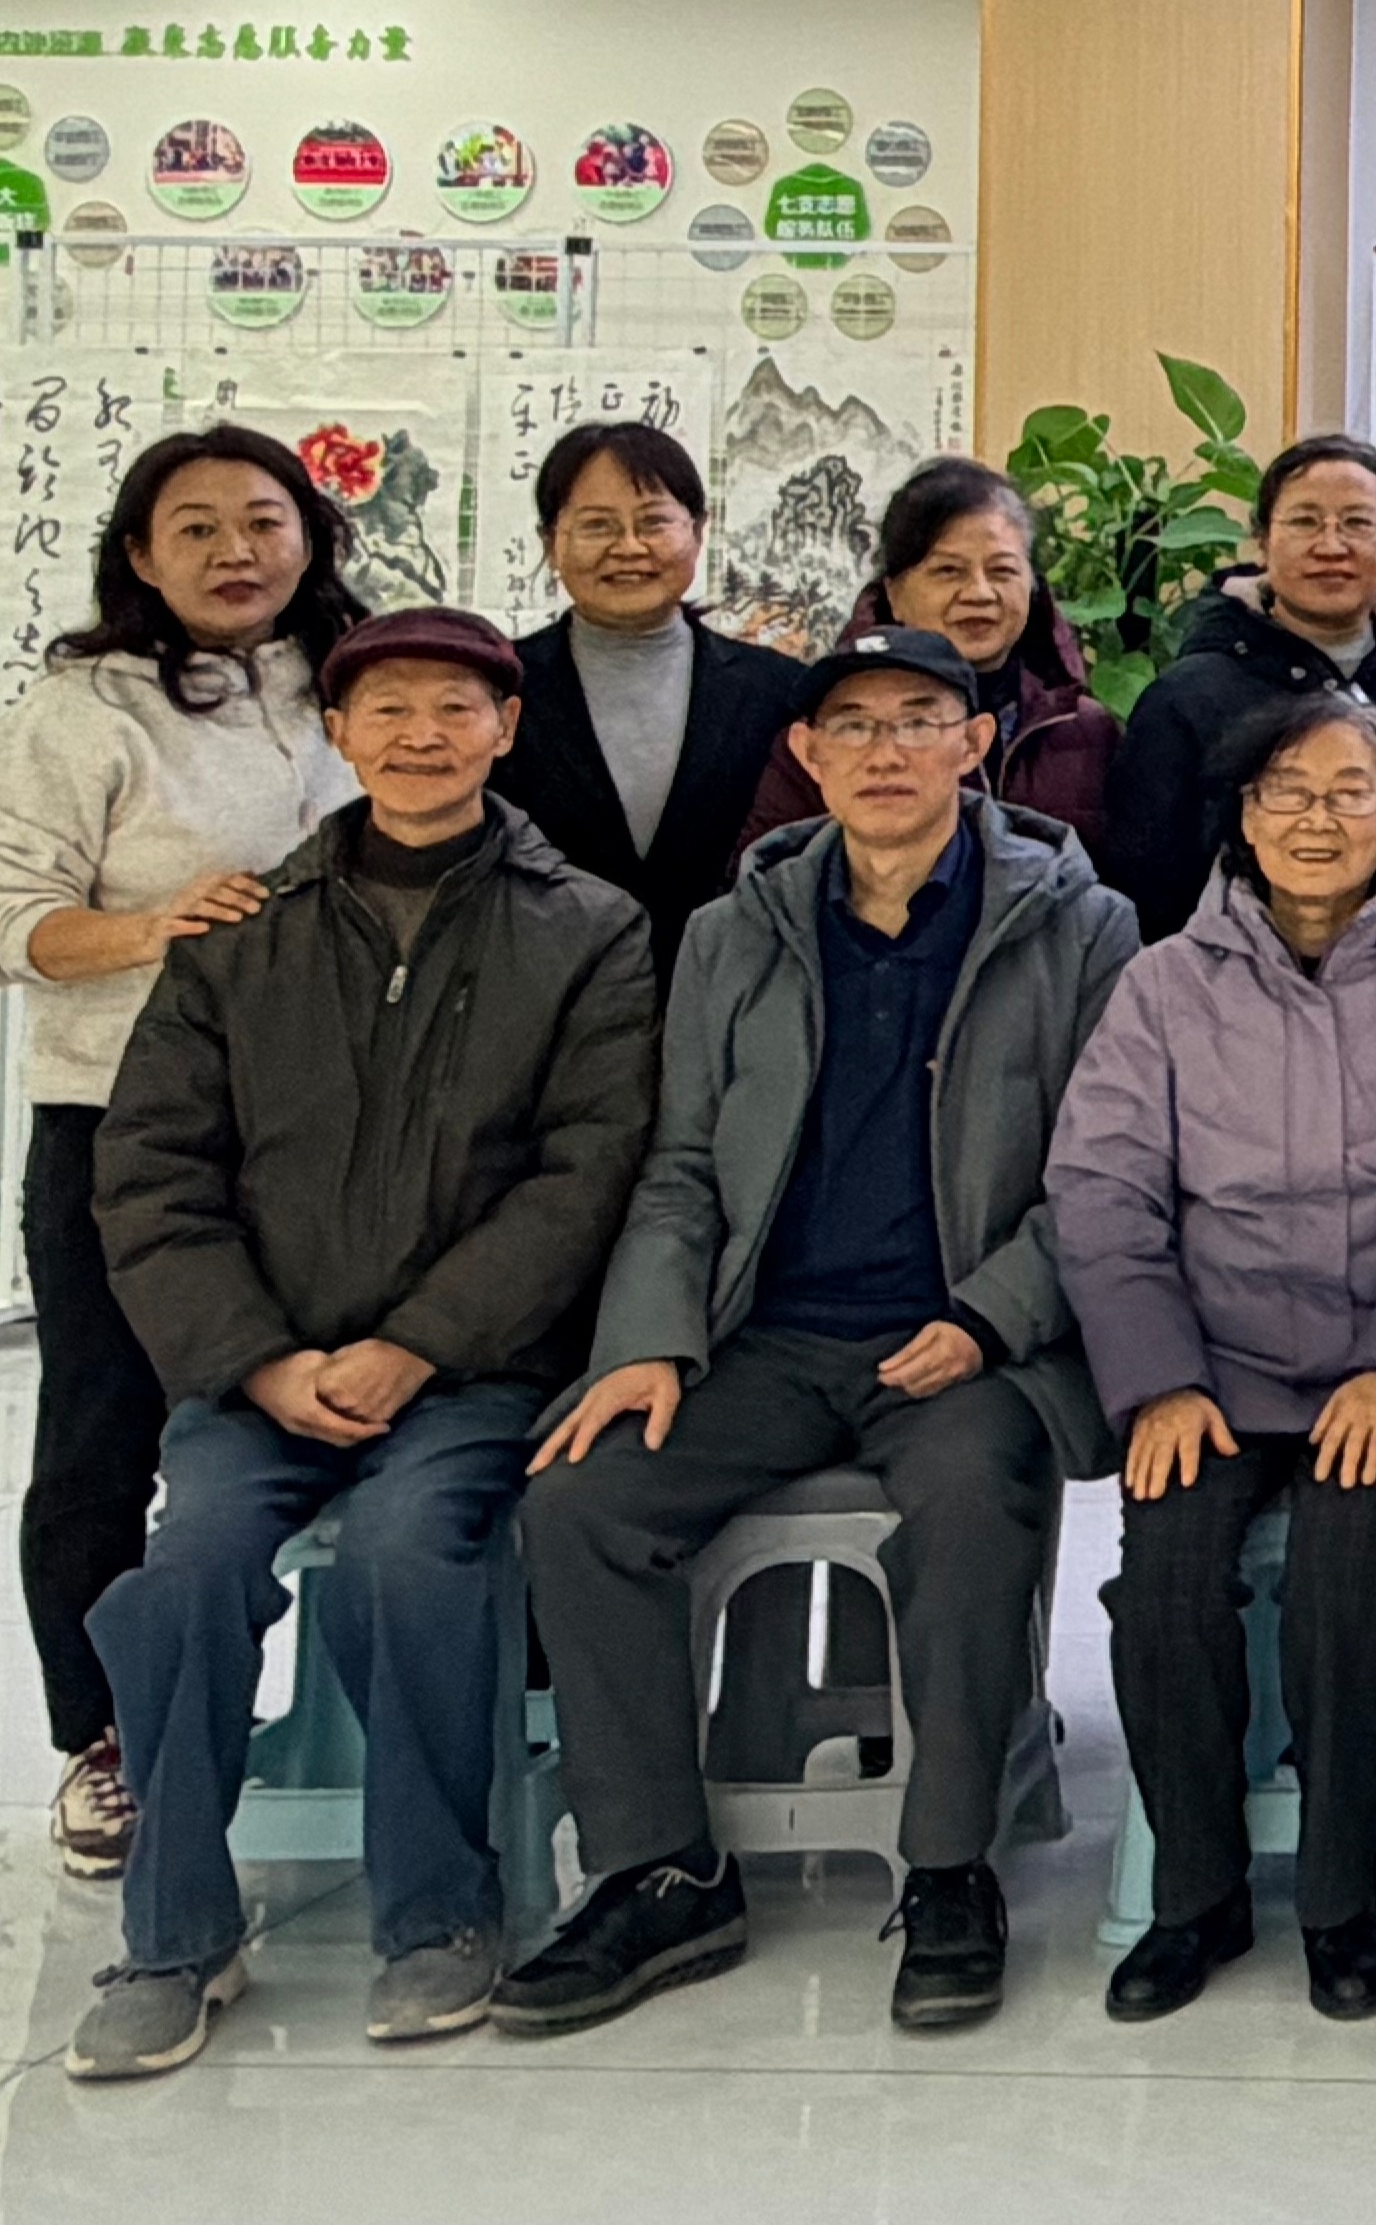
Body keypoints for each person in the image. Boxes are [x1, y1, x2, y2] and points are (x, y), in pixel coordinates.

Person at [490, 626, 1144, 2039]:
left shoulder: (1077, 924)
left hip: (966, 1340)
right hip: (764, 1337)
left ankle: (948, 1867)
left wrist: (989, 1317)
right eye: (851, 725)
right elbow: (679, 1166)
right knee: (582, 1498)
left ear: (976, 743)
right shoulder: (733, 933)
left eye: (918, 719)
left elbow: (1106, 1174)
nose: (884, 750)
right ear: (805, 753)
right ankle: (660, 1868)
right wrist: (647, 1342)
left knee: (970, 1501)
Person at [61, 609, 659, 2078]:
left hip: (471, 1374)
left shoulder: (588, 927)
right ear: (339, 735)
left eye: (455, 708)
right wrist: (259, 1360)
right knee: (185, 1573)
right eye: (387, 709)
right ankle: (174, 1936)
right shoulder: (241, 932)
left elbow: (585, 1173)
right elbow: (150, 1171)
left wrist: (420, 1342)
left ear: (505, 729)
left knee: (408, 1558)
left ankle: (439, 1915)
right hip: (257, 1373)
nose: (420, 735)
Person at [1049, 693, 1376, 2027]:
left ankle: (1338, 1897)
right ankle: (1194, 1892)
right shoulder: (1164, 983)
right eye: (1285, 792)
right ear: (1244, 817)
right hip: (1215, 1361)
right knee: (1165, 1573)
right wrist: (1159, 1376)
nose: (1317, 818)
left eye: (1349, 790)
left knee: (1343, 1564)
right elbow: (1101, 1188)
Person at [0, 423, 372, 1883]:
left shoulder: (357, 684)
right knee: (104, 1432)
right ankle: (104, 1737)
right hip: (121, 1127)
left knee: (319, 1426)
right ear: (138, 554)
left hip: (329, 1136)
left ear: (310, 536)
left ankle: (344, 1716)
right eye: (194, 528)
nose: (235, 551)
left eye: (263, 520)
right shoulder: (81, 713)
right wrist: (152, 928)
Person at [1112, 434, 1376, 938]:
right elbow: (1147, 885)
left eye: (1357, 523)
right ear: (1262, 542)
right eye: (1304, 522)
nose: (1331, 546)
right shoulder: (1185, 699)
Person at [492, 422, 810, 953]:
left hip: (731, 979)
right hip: (544, 984)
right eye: (597, 525)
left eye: (654, 522)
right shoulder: (499, 688)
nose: (629, 547)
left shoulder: (779, 692)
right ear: (550, 542)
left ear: (698, 533)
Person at [742, 458, 1126, 853]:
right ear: (893, 592)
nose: (979, 593)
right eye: (948, 571)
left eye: (1002, 571)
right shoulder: (832, 731)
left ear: (1032, 586)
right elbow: (768, 876)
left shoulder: (1086, 731)